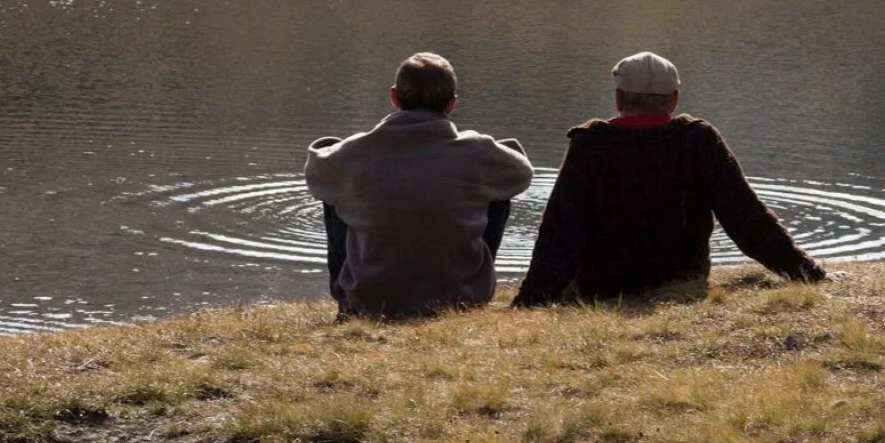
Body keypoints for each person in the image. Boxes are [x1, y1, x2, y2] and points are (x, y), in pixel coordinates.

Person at [512, 51, 826, 306]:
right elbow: (746, 218)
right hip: (682, 279)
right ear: (674, 99)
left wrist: (530, 301)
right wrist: (807, 273)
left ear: (619, 99)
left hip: (602, 288)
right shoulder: (698, 140)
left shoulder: (592, 143)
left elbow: (560, 230)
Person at [305, 52, 534, 319]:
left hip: (370, 302)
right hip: (461, 298)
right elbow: (521, 174)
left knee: (333, 185)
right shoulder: (477, 152)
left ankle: (347, 302)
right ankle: (472, 283)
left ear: (394, 97)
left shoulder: (354, 153)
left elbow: (315, 173)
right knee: (499, 185)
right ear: (451, 105)